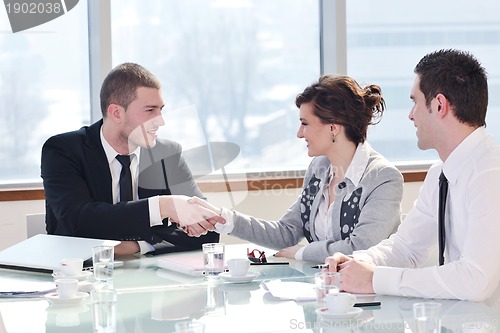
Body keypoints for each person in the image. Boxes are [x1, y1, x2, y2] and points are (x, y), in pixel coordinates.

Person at [325, 49, 500, 302]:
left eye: (415, 101)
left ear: (439, 105)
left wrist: (375, 279)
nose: (410, 115)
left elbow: (475, 280)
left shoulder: (490, 173)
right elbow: (407, 247)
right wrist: (357, 263)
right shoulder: (440, 174)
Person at [189, 74, 404, 263]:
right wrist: (223, 217)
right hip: (326, 291)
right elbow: (287, 233)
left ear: (333, 127)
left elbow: (360, 248)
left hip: (371, 297)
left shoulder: (383, 178)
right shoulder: (320, 169)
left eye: (305, 123)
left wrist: (303, 253)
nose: (299, 134)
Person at [41, 63, 223, 256]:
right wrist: (162, 206)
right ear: (117, 113)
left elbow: (209, 231)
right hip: (80, 275)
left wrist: (137, 246)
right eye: (150, 110)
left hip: (151, 276)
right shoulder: (63, 150)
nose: (161, 120)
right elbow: (78, 222)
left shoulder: (167, 153)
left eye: (161, 109)